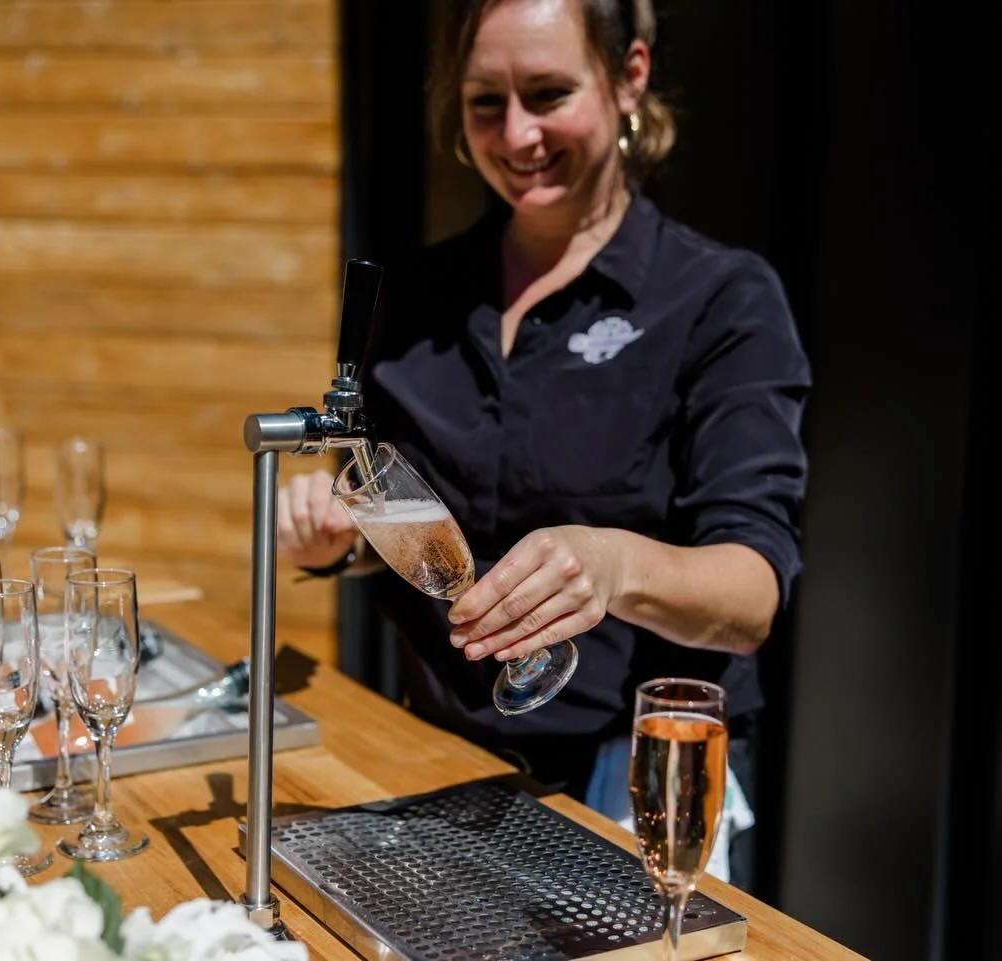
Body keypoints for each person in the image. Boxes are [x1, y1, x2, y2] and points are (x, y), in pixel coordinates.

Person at [277, 0, 809, 889]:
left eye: (549, 93)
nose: (517, 134)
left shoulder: (720, 298)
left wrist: (610, 565)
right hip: (436, 767)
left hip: (633, 780)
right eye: (487, 102)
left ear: (629, 76)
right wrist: (339, 538)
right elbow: (404, 514)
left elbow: (753, 593)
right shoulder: (413, 298)